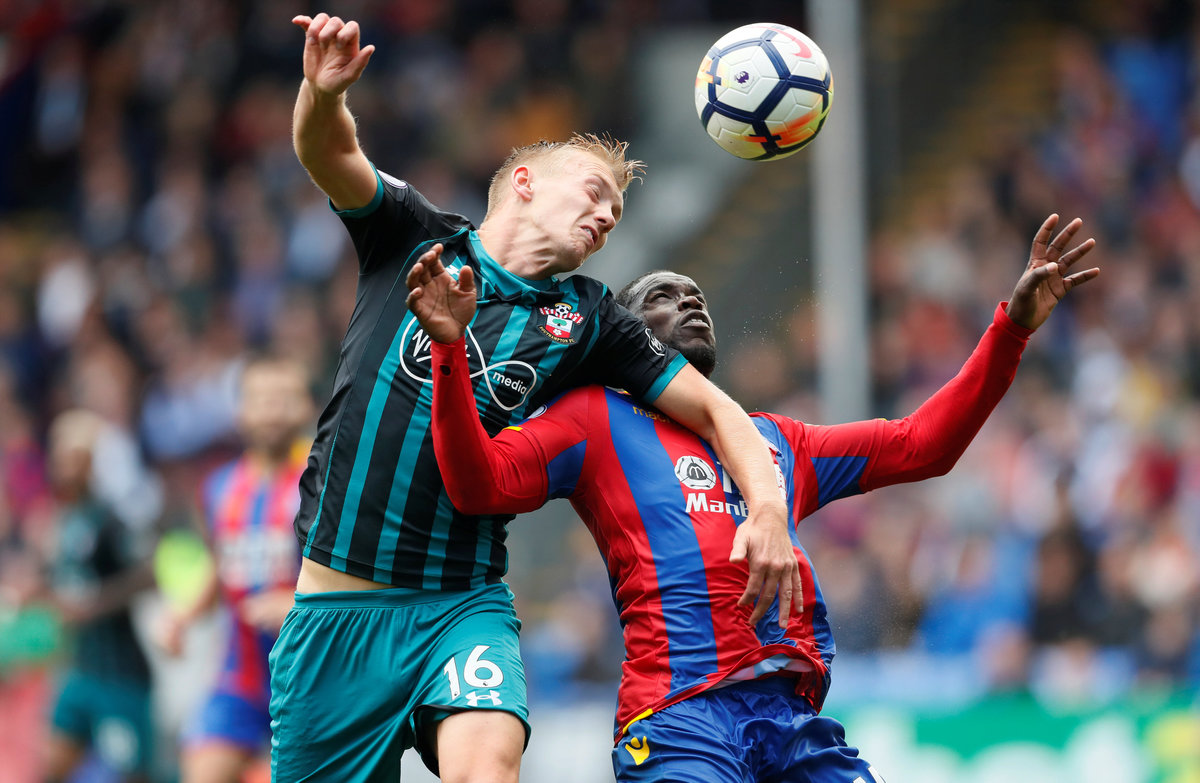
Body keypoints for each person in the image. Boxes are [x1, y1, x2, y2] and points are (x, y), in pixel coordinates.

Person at [275, 13, 800, 783]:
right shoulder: (416, 239)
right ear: (523, 183)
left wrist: (769, 511)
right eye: (593, 193)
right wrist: (322, 96)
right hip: (335, 617)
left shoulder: (588, 318)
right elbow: (329, 151)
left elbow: (719, 410)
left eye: (614, 215)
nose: (605, 217)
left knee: (487, 769)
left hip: (461, 607)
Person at [421, 214, 1099, 782]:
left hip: (794, 723)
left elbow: (924, 445)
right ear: (624, 336)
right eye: (664, 295)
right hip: (680, 717)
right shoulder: (594, 418)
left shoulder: (776, 440)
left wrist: (1012, 329)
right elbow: (478, 484)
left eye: (697, 296)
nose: (692, 302)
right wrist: (450, 352)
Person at [157, 356, 312, 783]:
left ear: (304, 407)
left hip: (309, 679)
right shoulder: (218, 487)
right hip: (238, 679)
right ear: (241, 410)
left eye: (283, 399)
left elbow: (353, 580)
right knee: (202, 768)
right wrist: (183, 616)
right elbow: (221, 563)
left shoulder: (321, 486)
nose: (272, 411)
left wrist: (297, 604)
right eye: (261, 399)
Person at [28, 409, 157, 783]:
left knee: (130, 774)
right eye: (59, 456)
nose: (63, 467)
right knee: (52, 765)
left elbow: (149, 575)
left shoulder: (111, 519)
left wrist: (95, 605)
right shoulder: (62, 519)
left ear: (91, 461)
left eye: (74, 456)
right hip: (79, 670)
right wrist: (39, 591)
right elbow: (68, 581)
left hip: (120, 675)